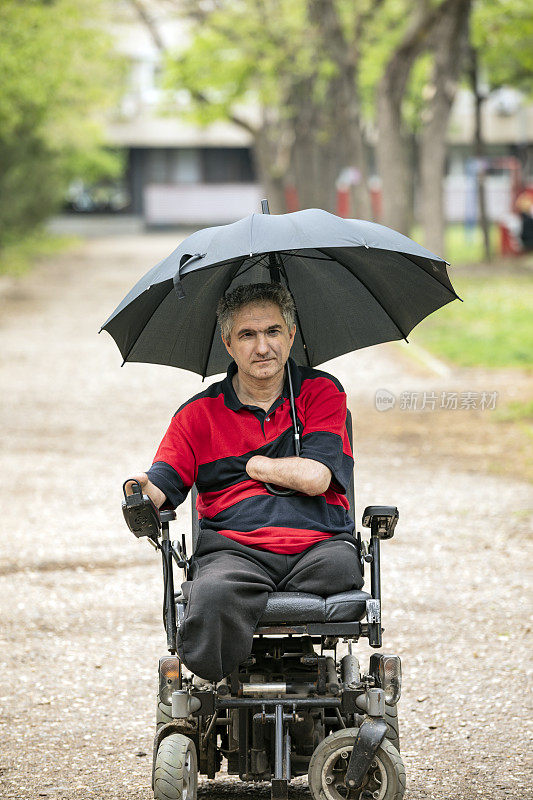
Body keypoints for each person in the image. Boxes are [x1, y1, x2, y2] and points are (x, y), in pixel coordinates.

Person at [125, 283, 363, 682]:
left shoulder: (321, 391)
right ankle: (218, 684)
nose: (262, 347)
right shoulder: (198, 415)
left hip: (318, 549)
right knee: (213, 592)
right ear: (228, 343)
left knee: (342, 568)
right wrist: (140, 489)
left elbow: (317, 477)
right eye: (247, 335)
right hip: (236, 552)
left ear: (290, 335)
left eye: (272, 331)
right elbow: (163, 482)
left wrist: (255, 465)